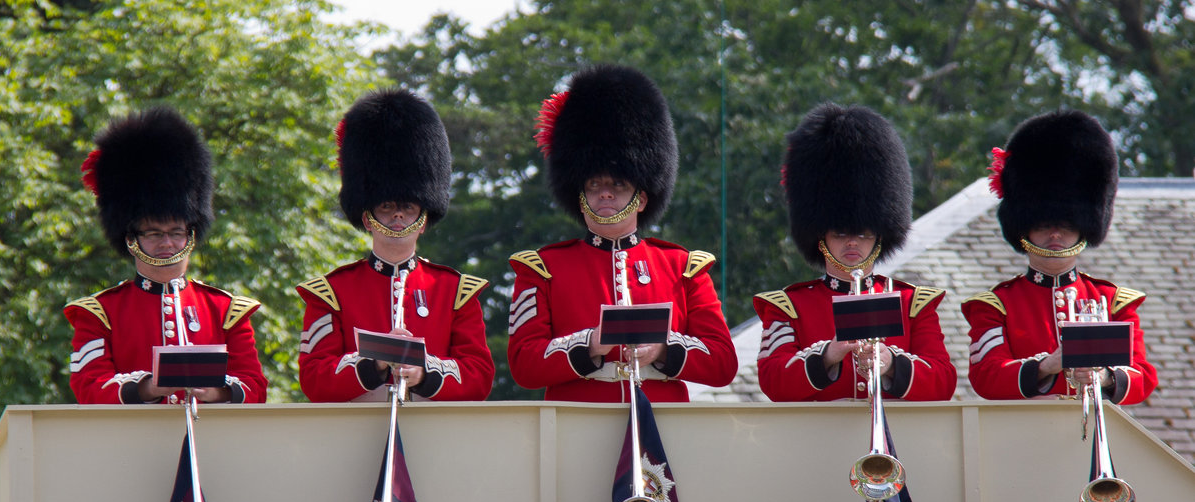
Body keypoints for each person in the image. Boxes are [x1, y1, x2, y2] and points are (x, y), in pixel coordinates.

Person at [507, 64, 737, 402]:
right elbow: (524, 365)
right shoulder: (542, 269)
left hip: (663, 424)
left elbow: (722, 363)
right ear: (579, 194)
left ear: (641, 198)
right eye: (594, 184)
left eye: (618, 183)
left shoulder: (683, 268)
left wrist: (663, 349)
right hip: (577, 423)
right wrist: (591, 344)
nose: (605, 193)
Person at [297, 88, 493, 402]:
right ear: (367, 216)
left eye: (409, 207)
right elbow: (313, 378)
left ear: (424, 219)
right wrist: (372, 363)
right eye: (386, 206)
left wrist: (424, 373)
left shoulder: (456, 292)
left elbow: (479, 376)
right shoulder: (331, 293)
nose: (398, 215)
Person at [753, 103, 956, 402]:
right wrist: (829, 354)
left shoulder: (912, 303)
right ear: (820, 236)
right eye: (840, 233)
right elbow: (773, 381)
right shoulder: (788, 307)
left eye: (863, 233)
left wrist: (890, 364)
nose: (852, 243)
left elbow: (943, 382)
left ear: (879, 236)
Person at [65, 107, 267, 404]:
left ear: (191, 234)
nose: (168, 243)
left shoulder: (226, 311)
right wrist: (148, 388)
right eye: (154, 233)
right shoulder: (99, 314)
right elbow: (88, 386)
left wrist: (215, 392)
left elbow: (255, 386)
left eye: (176, 232)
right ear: (132, 238)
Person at [962, 110, 1156, 404]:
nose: (1055, 235)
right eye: (1042, 226)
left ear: (1083, 228)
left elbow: (1143, 376)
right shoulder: (995, 306)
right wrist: (1047, 366)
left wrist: (1104, 377)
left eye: (1066, 226)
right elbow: (987, 377)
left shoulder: (1114, 301)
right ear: (1024, 229)